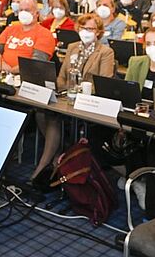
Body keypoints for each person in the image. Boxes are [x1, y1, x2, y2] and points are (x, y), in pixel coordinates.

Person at [32, 13, 114, 183]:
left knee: (53, 119)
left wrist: (79, 89)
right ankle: (57, 155)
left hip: (89, 100)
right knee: (41, 112)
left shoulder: (105, 52)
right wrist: (58, 87)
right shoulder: (73, 47)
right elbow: (62, 77)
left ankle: (42, 166)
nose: (85, 31)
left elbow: (104, 82)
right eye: (83, 28)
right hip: (67, 96)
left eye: (90, 28)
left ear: (98, 32)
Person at [0, 0, 56, 74]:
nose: (23, 13)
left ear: (37, 13)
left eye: (27, 10)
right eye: (21, 10)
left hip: (28, 75)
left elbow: (37, 61)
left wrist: (13, 71)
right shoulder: (10, 29)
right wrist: (1, 64)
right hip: (2, 72)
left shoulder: (45, 34)